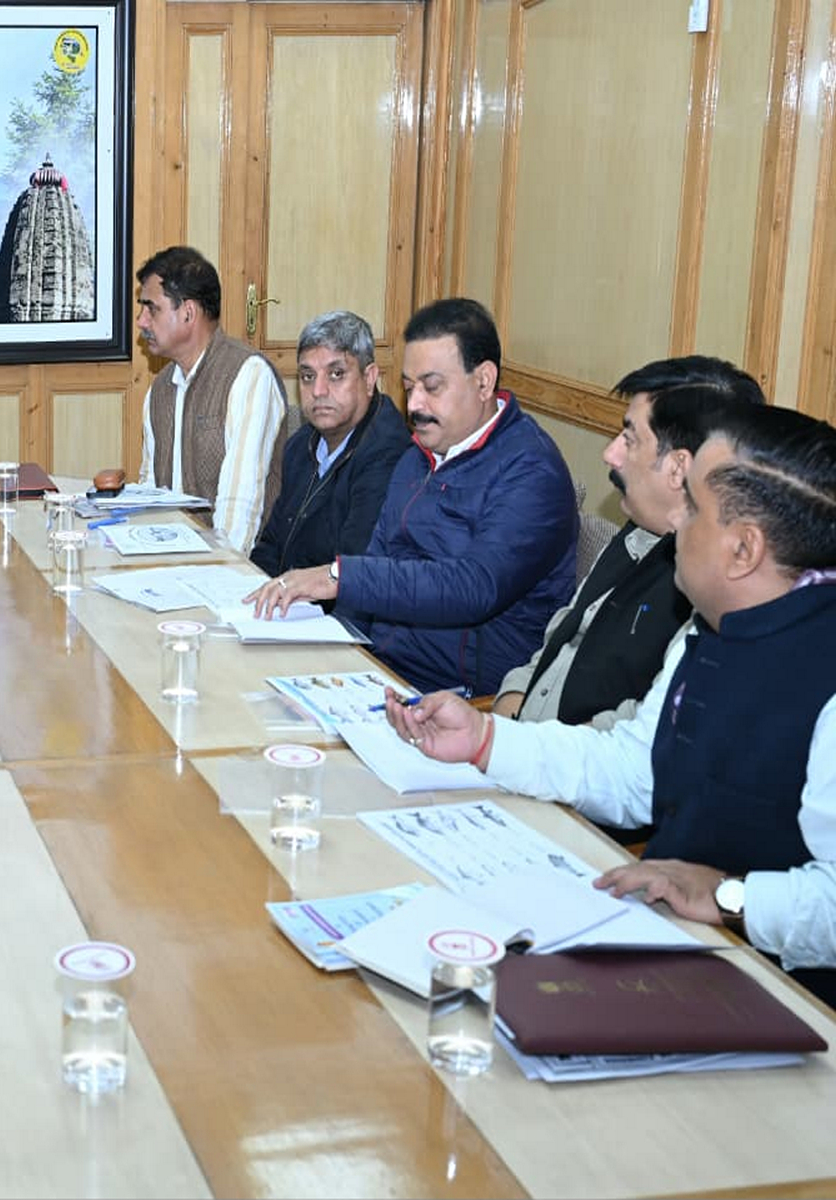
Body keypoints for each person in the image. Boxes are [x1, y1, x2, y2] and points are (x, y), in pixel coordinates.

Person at [386, 405, 836, 1002]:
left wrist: (731, 896)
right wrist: (488, 741)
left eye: (695, 508)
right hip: (659, 948)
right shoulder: (709, 628)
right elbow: (634, 770)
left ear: (743, 550)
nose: (677, 521)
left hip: (777, 996)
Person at [248, 297, 576, 696]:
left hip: (464, 698)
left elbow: (473, 587)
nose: (415, 404)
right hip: (376, 671)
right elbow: (374, 571)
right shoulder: (415, 459)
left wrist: (339, 575)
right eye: (408, 387)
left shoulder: (531, 470)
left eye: (432, 387)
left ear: (485, 381)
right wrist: (331, 660)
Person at [493, 357, 764, 727]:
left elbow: (636, 743)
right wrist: (503, 722)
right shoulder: (636, 531)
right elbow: (555, 645)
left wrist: (510, 750)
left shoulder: (713, 590)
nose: (610, 453)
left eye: (629, 439)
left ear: (678, 468)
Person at [136, 245, 286, 554]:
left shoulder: (248, 375)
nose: (141, 321)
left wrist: (218, 574)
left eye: (152, 309)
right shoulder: (159, 390)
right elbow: (150, 494)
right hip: (173, 562)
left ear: (188, 312)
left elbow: (240, 511)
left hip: (243, 568)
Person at [248, 309, 409, 579]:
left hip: (335, 614)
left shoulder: (388, 454)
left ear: (369, 379)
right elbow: (271, 545)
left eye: (336, 374)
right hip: (287, 605)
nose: (318, 391)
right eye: (308, 376)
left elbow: (354, 573)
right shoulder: (301, 444)